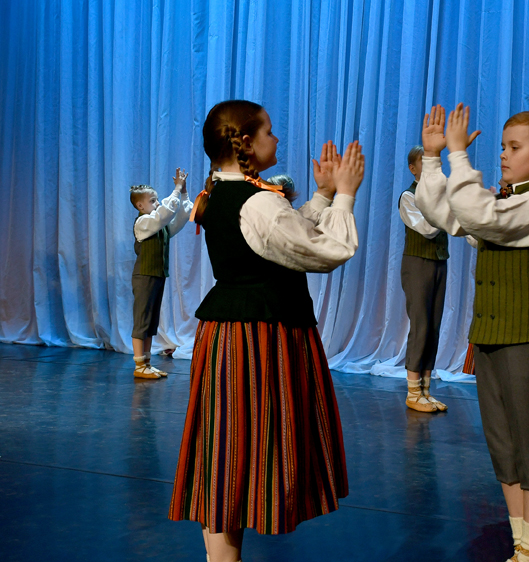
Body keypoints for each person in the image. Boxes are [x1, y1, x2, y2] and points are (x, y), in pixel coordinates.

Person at [168, 99, 364, 562]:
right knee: (241, 445)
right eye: (269, 131)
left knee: (224, 447)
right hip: (258, 339)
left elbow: (284, 235)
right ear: (247, 143)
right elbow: (329, 250)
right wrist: (345, 195)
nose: (276, 138)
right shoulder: (258, 202)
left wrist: (321, 196)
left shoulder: (223, 191)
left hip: (230, 334)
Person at [416, 103, 529, 562]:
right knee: (503, 445)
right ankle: (522, 544)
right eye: (502, 146)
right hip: (491, 335)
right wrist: (432, 159)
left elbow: (480, 216)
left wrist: (459, 156)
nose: (503, 154)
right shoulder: (505, 201)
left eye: (513, 147)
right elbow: (447, 214)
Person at [398, 145, 448, 412]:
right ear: (413, 168)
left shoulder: (440, 196)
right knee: (421, 324)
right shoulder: (409, 196)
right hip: (418, 263)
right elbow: (427, 229)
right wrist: (446, 210)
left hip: (439, 262)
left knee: (434, 325)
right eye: (425, 164)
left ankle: (426, 390)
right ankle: (413, 391)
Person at [129, 170, 192, 379]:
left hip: (156, 276)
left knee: (150, 322)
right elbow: (164, 213)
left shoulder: (159, 226)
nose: (157, 204)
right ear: (140, 206)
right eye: (153, 201)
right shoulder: (143, 223)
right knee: (142, 321)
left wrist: (183, 193)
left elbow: (181, 216)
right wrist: (175, 190)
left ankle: (146, 363)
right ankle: (139, 365)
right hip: (144, 276)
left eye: (157, 200)